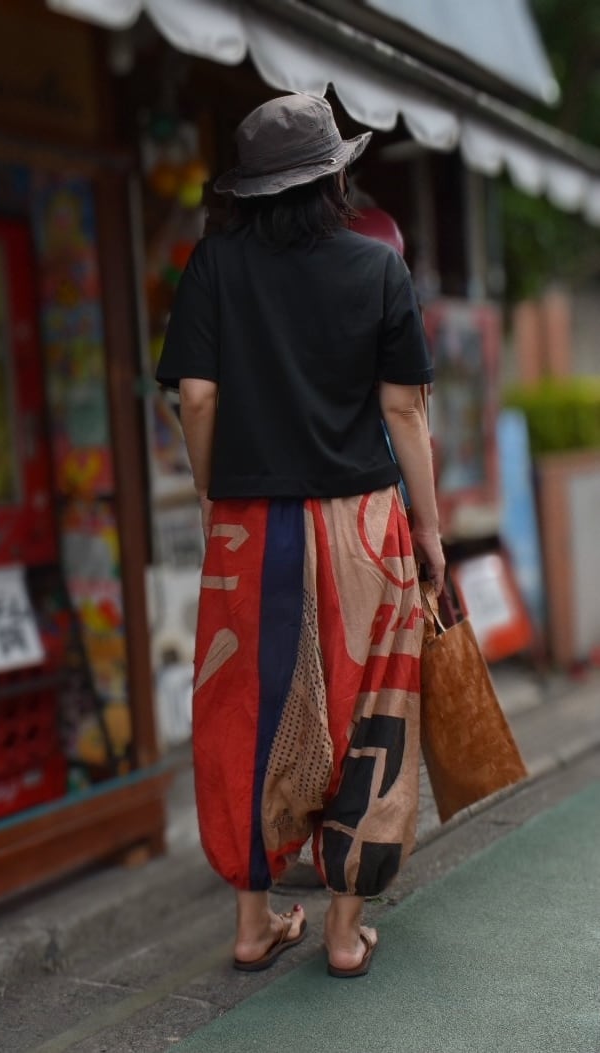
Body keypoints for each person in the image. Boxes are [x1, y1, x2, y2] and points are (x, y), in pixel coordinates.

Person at [155, 93, 445, 979]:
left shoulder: (212, 264)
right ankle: (344, 929)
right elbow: (403, 409)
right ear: (334, 178)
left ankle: (252, 923)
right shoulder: (377, 269)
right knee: (374, 711)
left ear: (248, 190)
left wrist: (211, 486)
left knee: (245, 711)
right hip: (363, 524)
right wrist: (428, 530)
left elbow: (193, 396)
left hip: (251, 530)